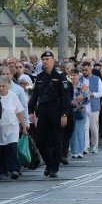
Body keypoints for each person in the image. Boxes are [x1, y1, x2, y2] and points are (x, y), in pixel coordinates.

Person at [28, 51, 72, 179]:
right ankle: (48, 163)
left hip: (56, 112)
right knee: (40, 140)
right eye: (43, 59)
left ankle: (54, 168)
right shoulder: (40, 77)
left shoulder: (60, 77)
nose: (45, 61)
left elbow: (65, 97)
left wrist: (64, 114)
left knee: (56, 141)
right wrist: (31, 111)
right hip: (43, 112)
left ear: (53, 60)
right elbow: (35, 95)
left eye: (47, 59)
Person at [0, 76, 26, 180]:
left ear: (8, 86)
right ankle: (1, 171)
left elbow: (19, 112)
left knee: (11, 148)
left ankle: (14, 169)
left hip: (12, 127)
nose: (1, 88)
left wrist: (24, 126)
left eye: (3, 86)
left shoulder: (13, 96)